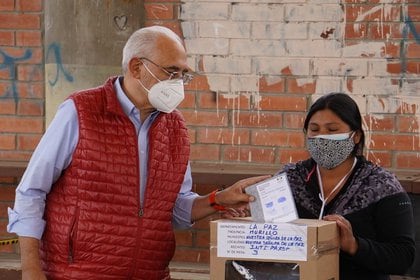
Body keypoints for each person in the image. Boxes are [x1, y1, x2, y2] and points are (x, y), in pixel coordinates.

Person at [7, 26, 269, 280]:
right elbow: (31, 192)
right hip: (78, 273)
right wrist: (31, 270)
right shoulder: (80, 111)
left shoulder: (175, 128)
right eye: (171, 71)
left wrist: (220, 198)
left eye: (183, 75)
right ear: (136, 67)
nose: (178, 82)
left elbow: (176, 208)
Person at [281, 93, 415, 280]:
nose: (322, 138)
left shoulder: (382, 187)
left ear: (356, 136)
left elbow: (403, 256)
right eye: (314, 129)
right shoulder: (289, 180)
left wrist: (354, 245)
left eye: (332, 130)